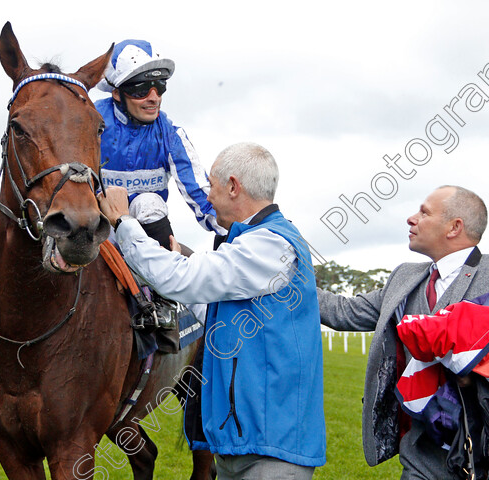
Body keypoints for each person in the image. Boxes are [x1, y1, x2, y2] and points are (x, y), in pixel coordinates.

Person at [99, 142, 326, 479]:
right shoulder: (252, 244)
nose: (207, 197)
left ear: (234, 186)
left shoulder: (271, 243)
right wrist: (169, 270)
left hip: (271, 452)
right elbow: (213, 312)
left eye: (212, 187)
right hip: (246, 444)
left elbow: (186, 279)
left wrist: (123, 222)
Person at [318, 185, 489, 480]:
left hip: (486, 458)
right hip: (420, 456)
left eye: (424, 212)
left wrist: (476, 369)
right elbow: (344, 312)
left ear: (454, 227)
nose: (411, 219)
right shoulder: (404, 277)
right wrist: (292, 276)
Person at [95, 39, 225, 249]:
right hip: (93, 228)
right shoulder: (88, 124)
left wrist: (238, 231)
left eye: (159, 86)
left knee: (149, 203)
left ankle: (160, 278)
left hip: (144, 233)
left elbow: (202, 195)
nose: (154, 98)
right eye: (141, 89)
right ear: (116, 93)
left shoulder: (171, 135)